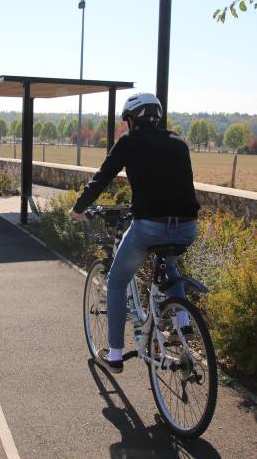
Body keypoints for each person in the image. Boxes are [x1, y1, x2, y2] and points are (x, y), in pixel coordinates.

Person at [70, 93, 200, 374]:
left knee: (117, 281)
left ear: (132, 119)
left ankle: (115, 354)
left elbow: (102, 178)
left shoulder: (129, 142)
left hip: (149, 226)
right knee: (170, 266)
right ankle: (182, 324)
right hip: (187, 226)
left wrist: (78, 208)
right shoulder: (178, 142)